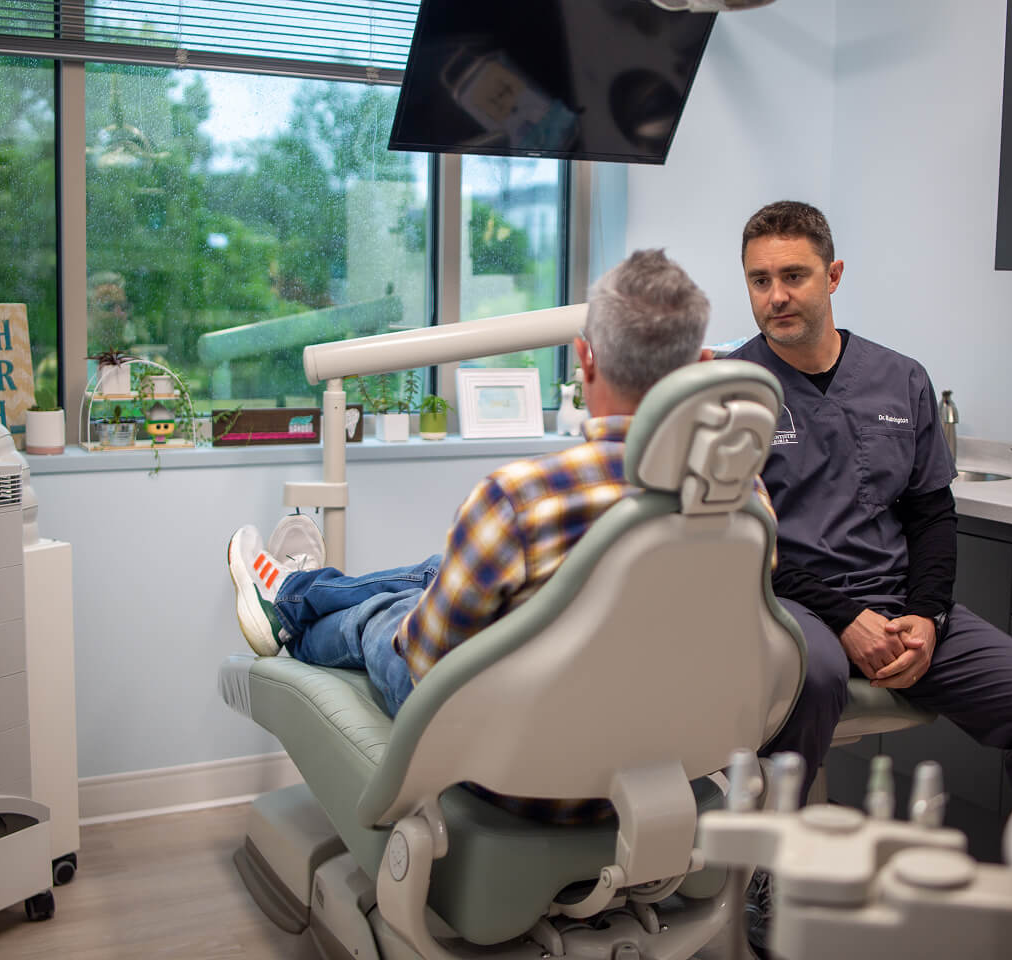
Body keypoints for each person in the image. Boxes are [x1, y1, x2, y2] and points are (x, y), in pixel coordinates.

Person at [227, 249, 770, 823]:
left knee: (387, 617)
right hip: (668, 759)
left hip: (523, 772)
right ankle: (301, 588)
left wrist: (418, 617)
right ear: (701, 364)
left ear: (585, 358)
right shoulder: (745, 502)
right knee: (444, 568)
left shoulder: (520, 499)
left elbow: (426, 662)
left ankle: (290, 611)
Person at [725, 200, 1012, 800]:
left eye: (794, 276)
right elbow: (734, 540)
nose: (776, 297)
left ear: (834, 275)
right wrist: (846, 619)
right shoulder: (731, 390)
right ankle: (762, 875)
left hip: (898, 602)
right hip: (788, 605)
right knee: (814, 677)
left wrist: (927, 615)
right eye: (759, 280)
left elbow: (931, 515)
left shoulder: (901, 379)